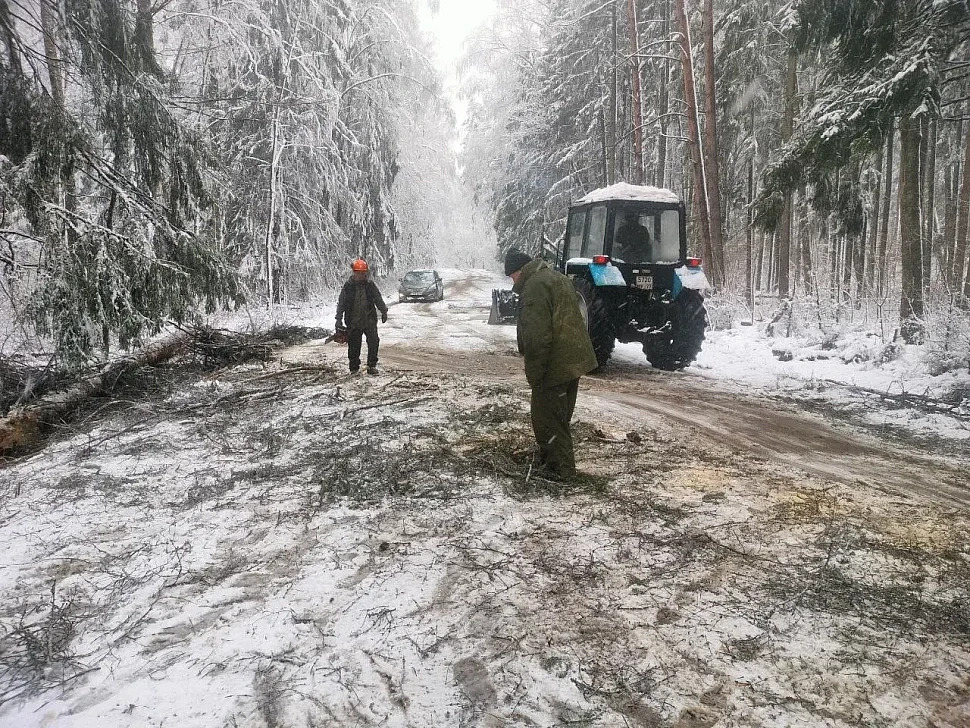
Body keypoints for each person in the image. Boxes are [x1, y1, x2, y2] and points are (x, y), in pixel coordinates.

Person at [506, 248, 598, 478]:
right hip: (573, 359)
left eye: (511, 276)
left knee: (548, 419)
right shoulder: (557, 277)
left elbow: (537, 336)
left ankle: (561, 470)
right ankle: (551, 461)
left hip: (555, 363)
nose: (512, 281)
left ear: (519, 270)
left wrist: (535, 374)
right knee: (559, 415)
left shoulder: (535, 287)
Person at [335, 258, 388, 374]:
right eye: (359, 273)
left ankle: (371, 366)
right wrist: (338, 319)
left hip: (369, 320)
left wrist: (384, 311)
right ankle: (354, 368)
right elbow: (342, 303)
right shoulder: (348, 286)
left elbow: (378, 298)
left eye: (363, 273)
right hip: (353, 322)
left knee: (374, 342)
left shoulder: (370, 285)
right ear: (354, 273)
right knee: (354, 345)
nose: (361, 275)